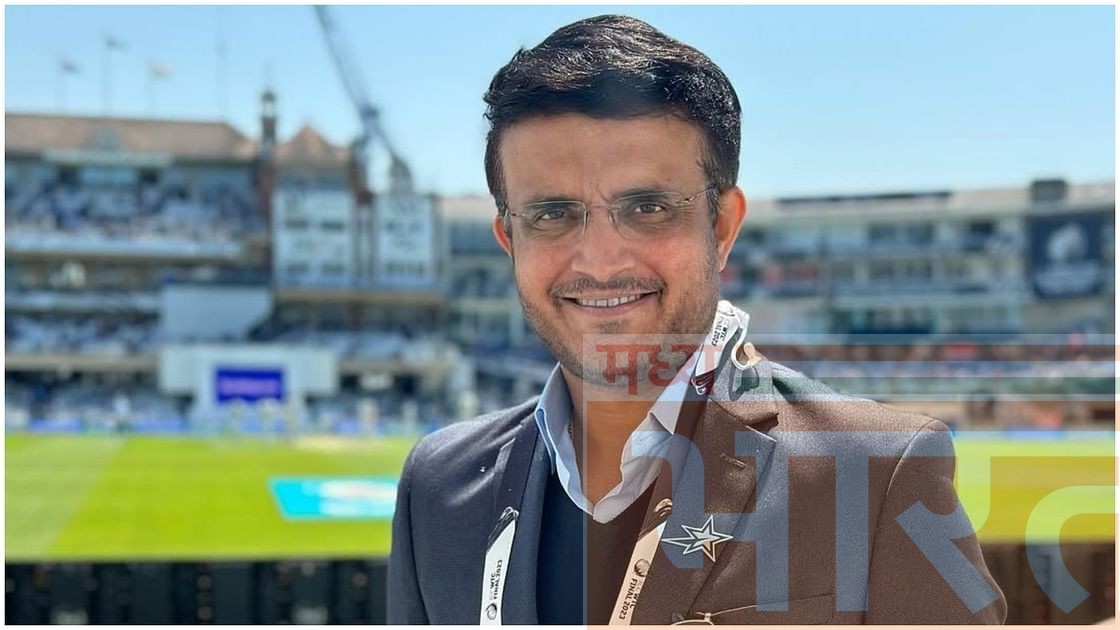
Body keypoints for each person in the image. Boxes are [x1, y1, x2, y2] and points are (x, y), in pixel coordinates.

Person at [388, 14, 1007, 625]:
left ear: (722, 226)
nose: (600, 261)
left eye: (648, 207)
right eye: (553, 214)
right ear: (509, 240)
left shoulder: (878, 474)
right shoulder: (439, 487)